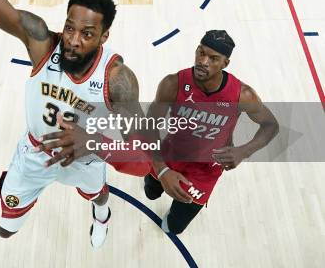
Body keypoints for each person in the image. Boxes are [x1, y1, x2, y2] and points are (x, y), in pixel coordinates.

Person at [0, 0, 149, 248]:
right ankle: (10, 191)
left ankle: (102, 214)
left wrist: (92, 141)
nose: (73, 40)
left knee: (99, 194)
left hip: (86, 157)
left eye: (87, 34)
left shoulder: (118, 80)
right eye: (70, 28)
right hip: (36, 152)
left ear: (104, 37)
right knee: (4, 230)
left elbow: (140, 149)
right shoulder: (41, 42)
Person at [37, 30, 279, 235]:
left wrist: (243, 151)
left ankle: (171, 222)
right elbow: (148, 128)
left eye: (213, 58)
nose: (203, 61)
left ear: (225, 63)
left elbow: (271, 126)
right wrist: (162, 169)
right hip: (167, 157)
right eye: (200, 52)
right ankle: (156, 181)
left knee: (174, 226)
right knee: (151, 193)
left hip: (205, 171)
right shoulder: (173, 84)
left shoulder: (242, 96)